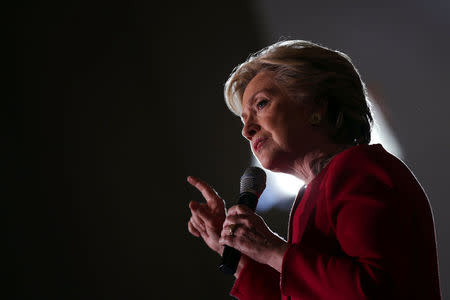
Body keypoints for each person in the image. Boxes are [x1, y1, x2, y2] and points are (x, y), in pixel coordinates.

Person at [187, 40, 441, 299]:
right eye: (243, 120)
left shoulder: (361, 168)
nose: (247, 129)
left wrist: (273, 250)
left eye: (261, 104)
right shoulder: (310, 198)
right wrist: (237, 250)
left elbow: (374, 290)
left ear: (316, 106)